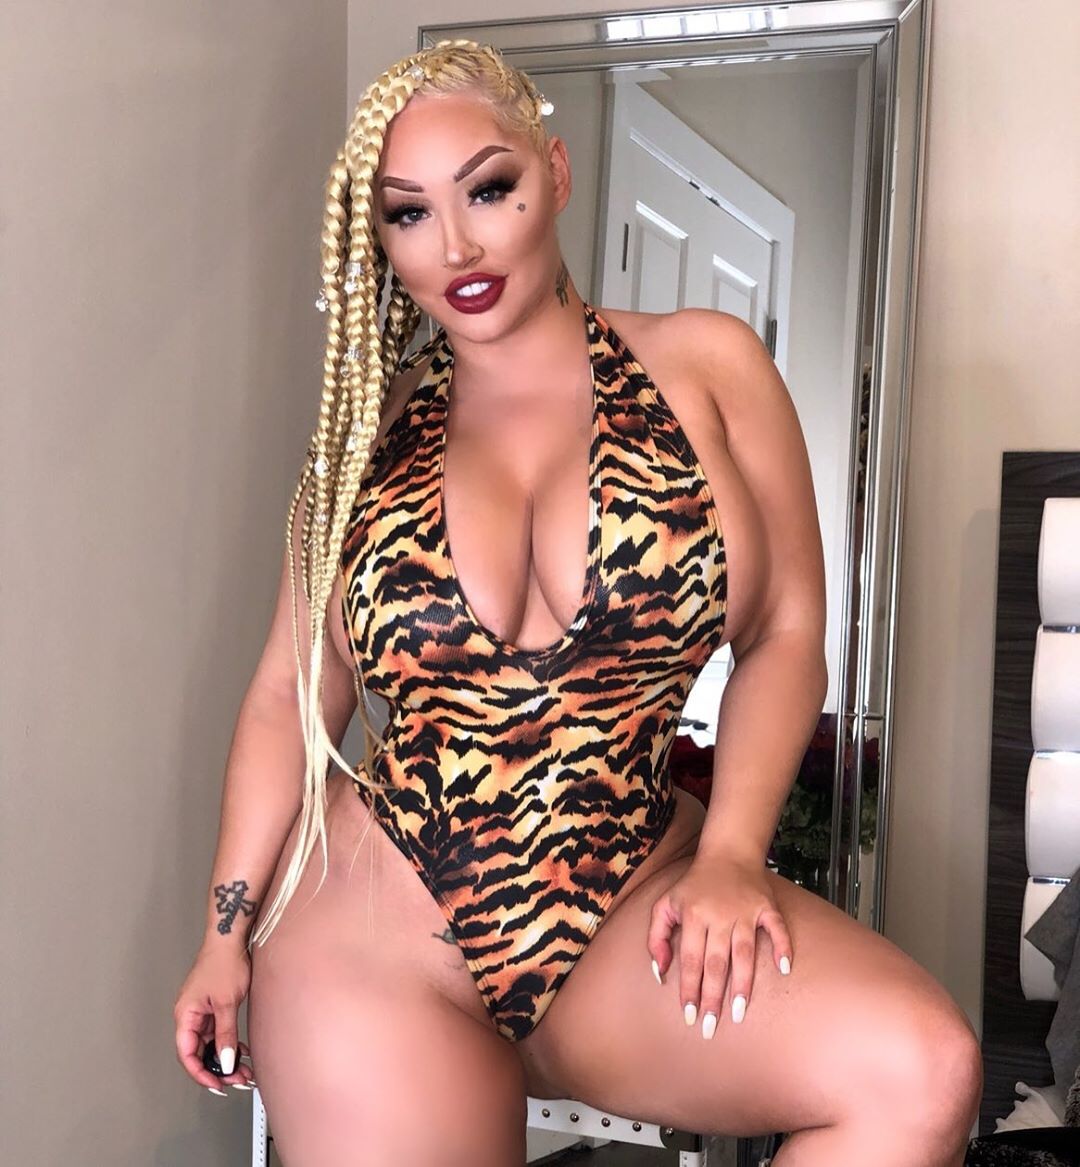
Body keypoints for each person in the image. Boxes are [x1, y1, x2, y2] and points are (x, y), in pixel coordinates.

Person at [173, 38, 982, 1167]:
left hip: (630, 897)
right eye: (409, 214)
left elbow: (788, 634)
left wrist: (733, 853)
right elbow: (285, 695)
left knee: (919, 1069)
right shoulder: (362, 437)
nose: (456, 246)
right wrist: (223, 933)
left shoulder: (706, 370)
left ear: (554, 173)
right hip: (379, 928)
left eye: (488, 189)